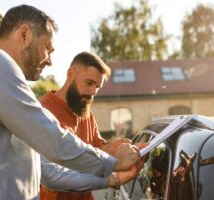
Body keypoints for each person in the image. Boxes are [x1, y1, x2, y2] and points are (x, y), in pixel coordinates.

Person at [0, 5, 141, 200]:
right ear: (24, 34)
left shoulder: (7, 88)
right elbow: (53, 139)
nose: (49, 60)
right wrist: (114, 162)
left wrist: (111, 179)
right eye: (47, 48)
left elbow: (48, 173)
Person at [39, 52, 146, 200]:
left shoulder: (85, 113)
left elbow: (98, 153)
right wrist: (114, 172)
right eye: (89, 83)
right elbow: (54, 173)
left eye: (97, 87)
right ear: (71, 74)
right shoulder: (43, 112)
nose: (93, 93)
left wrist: (122, 153)